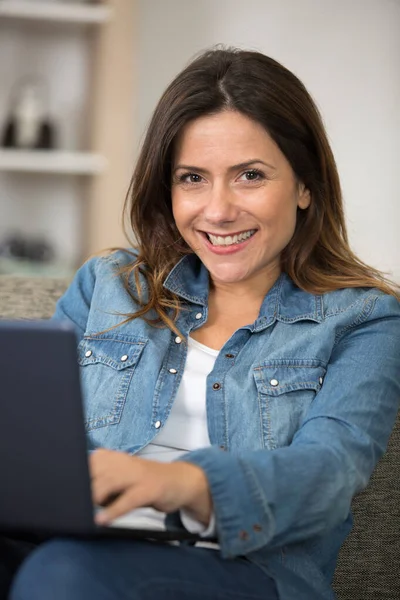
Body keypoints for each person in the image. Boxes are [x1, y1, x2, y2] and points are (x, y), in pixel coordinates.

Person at [3, 47, 400, 600]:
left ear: (305, 185)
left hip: (245, 571)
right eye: (193, 177)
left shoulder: (365, 319)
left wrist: (182, 482)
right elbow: (33, 436)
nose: (217, 210)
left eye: (250, 176)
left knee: (65, 575)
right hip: (72, 538)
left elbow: (328, 474)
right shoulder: (108, 284)